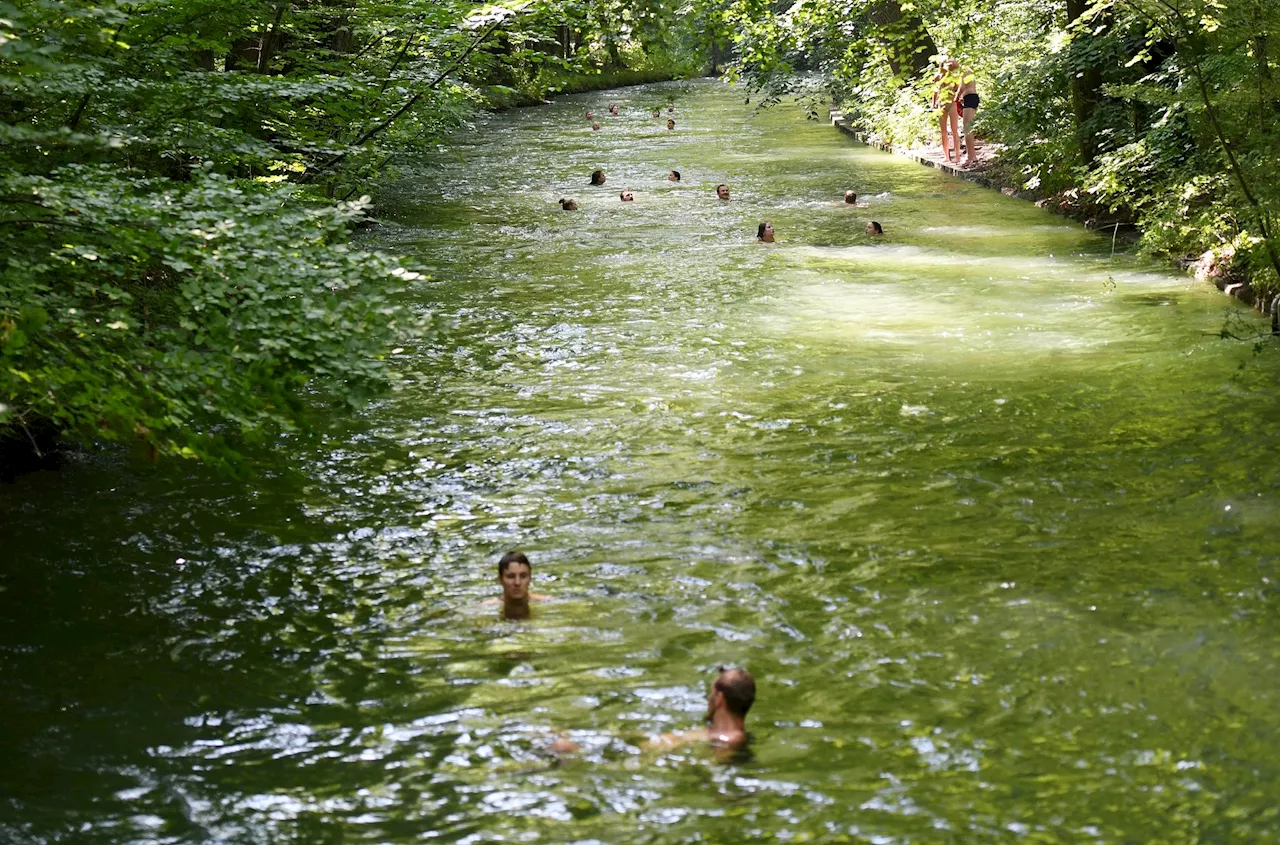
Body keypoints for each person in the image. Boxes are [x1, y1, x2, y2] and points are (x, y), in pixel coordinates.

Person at [647, 667, 755, 754]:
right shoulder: (711, 733)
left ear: (719, 699)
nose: (708, 700)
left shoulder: (730, 741)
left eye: (711, 694)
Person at [485, 550, 549, 620]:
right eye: (511, 576)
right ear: (500, 579)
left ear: (530, 578)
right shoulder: (486, 609)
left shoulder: (547, 603)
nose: (517, 583)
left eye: (523, 576)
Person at [932, 60, 961, 164]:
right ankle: (946, 156)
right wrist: (933, 104)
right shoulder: (938, 77)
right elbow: (935, 91)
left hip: (952, 103)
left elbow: (958, 90)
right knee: (943, 131)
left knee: (954, 130)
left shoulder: (954, 78)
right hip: (941, 104)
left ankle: (957, 155)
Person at [952, 62, 980, 166]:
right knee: (969, 128)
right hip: (972, 98)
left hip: (969, 98)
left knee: (967, 128)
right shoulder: (969, 70)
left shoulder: (963, 71)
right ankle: (972, 156)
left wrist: (956, 97)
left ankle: (970, 157)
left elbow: (962, 87)